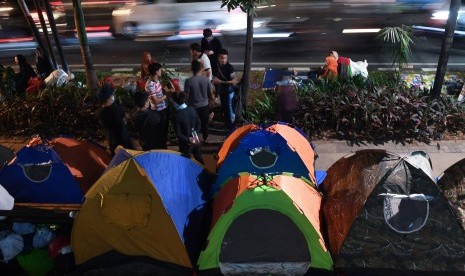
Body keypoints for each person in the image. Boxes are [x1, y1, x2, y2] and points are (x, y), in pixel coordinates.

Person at [97, 80, 135, 156]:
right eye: (112, 95)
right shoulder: (116, 110)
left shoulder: (100, 113)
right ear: (108, 99)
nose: (113, 96)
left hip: (112, 142)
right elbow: (122, 126)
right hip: (123, 143)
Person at [184, 60, 213, 144]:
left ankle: (194, 139)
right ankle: (206, 138)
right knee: (205, 123)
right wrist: (212, 101)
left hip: (193, 106)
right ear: (201, 69)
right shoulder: (206, 80)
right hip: (204, 105)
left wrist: (185, 104)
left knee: (193, 124)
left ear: (192, 69)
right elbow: (210, 93)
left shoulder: (188, 81)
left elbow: (187, 95)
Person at [145, 62, 173, 149]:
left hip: (164, 108)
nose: (161, 71)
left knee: (164, 129)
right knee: (161, 130)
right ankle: (162, 147)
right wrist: (166, 95)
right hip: (159, 111)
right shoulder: (150, 85)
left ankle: (163, 144)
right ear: (156, 72)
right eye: (160, 70)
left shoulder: (156, 80)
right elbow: (156, 101)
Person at [172, 91, 204, 164]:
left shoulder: (176, 115)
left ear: (175, 102)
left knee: (185, 161)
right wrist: (195, 134)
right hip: (196, 139)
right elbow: (199, 123)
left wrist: (188, 140)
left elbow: (178, 134)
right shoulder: (192, 109)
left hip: (185, 143)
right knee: (199, 158)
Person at [212, 48, 237, 129]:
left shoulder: (230, 67)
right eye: (222, 58)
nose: (224, 60)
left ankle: (231, 126)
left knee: (230, 109)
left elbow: (234, 81)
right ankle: (227, 124)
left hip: (229, 92)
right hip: (222, 92)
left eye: (225, 58)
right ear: (218, 58)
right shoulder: (217, 66)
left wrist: (220, 82)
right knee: (224, 109)